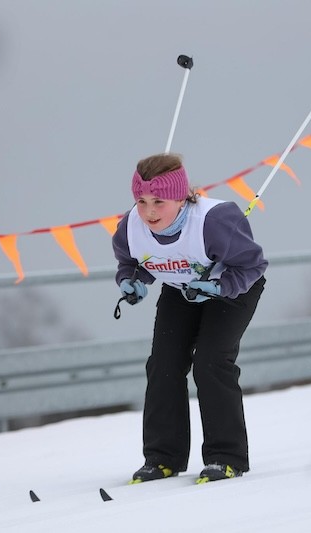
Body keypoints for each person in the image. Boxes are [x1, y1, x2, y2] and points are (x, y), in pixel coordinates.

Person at [113, 153, 268, 483]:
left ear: (181, 197)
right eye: (141, 201)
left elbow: (253, 265)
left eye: (158, 201)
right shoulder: (130, 227)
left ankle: (225, 457)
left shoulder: (215, 222)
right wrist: (132, 281)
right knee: (163, 364)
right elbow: (133, 262)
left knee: (210, 361)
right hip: (180, 288)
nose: (149, 212)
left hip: (233, 288)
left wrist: (220, 287)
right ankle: (162, 458)